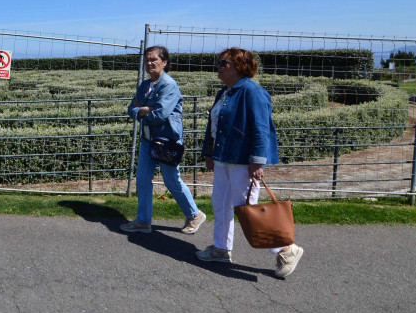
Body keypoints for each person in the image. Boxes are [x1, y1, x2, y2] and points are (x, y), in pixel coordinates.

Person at [195, 47, 304, 278]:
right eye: (219, 63)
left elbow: (261, 129)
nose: (219, 67)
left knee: (249, 211)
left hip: (244, 162)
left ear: (239, 66)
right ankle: (221, 249)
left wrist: (257, 161)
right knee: (220, 205)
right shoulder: (225, 92)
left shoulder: (252, 91)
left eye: (223, 63)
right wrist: (209, 153)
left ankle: (286, 249)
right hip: (224, 158)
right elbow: (212, 127)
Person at [121, 46, 206, 235]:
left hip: (167, 139)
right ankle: (143, 221)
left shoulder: (168, 85)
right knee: (142, 179)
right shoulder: (144, 85)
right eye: (147, 60)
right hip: (148, 138)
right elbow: (131, 109)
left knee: (171, 180)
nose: (149, 63)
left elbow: (160, 114)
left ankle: (194, 215)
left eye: (154, 59)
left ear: (164, 62)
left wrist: (142, 109)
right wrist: (144, 109)